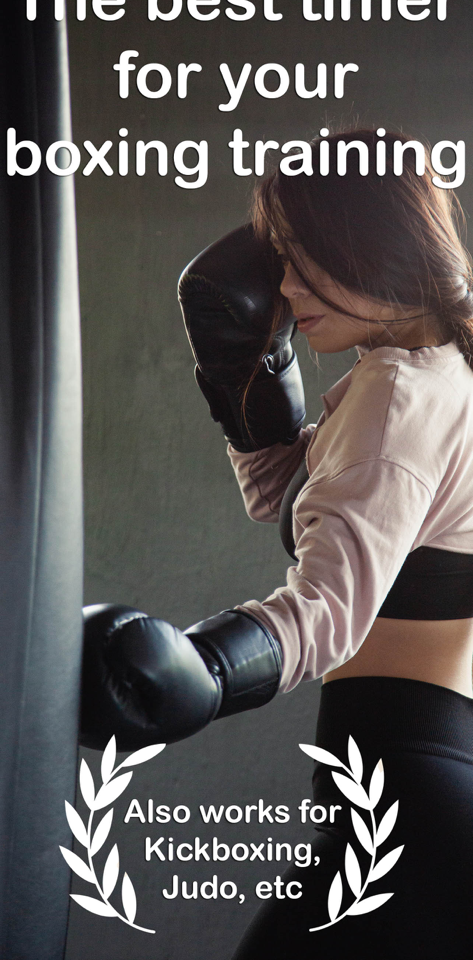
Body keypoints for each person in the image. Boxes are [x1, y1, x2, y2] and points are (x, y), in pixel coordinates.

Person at [81, 130, 473, 958]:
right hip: (414, 772)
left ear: (366, 245)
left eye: (301, 259)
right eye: (278, 262)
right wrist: (243, 375)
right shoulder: (425, 376)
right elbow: (280, 502)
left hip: (405, 782)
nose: (284, 287)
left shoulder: (400, 394)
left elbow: (329, 609)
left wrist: (205, 669)